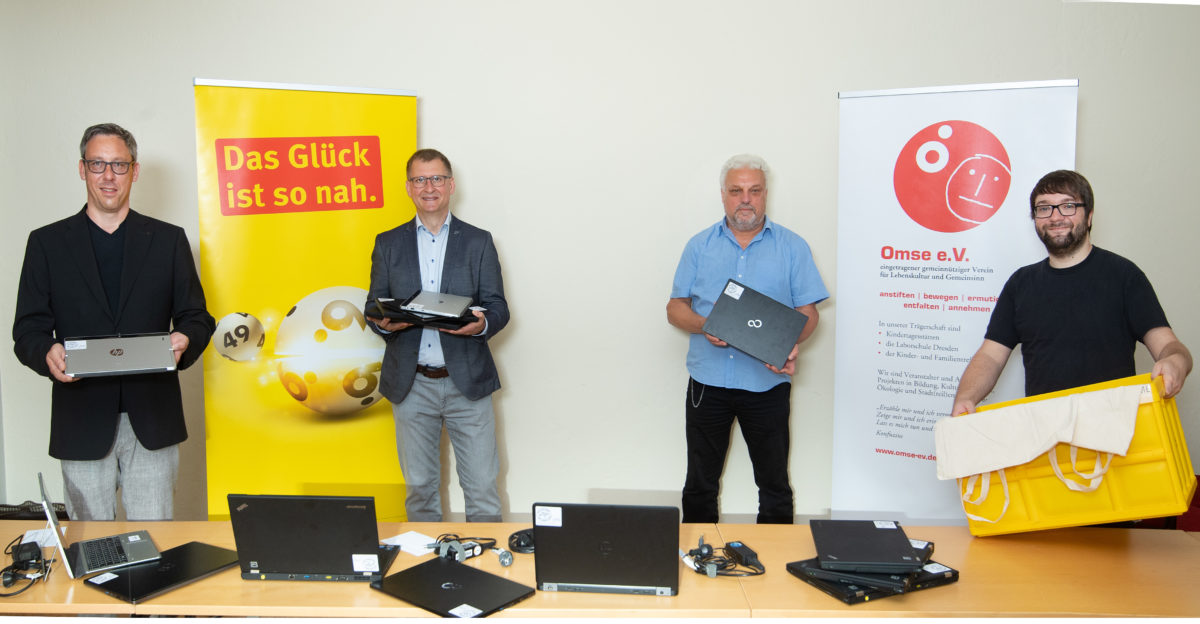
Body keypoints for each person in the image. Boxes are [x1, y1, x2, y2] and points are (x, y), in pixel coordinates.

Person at [12, 123, 214, 521]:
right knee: (90, 545)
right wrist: (47, 351)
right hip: (81, 419)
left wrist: (184, 340)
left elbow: (197, 317)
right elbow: (28, 329)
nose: (108, 176)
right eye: (98, 164)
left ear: (134, 171)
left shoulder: (169, 240)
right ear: (82, 169)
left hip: (153, 420)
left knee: (154, 544)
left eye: (119, 165)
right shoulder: (47, 243)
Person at [667, 154, 829, 524]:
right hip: (708, 382)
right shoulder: (699, 246)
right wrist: (705, 324)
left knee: (774, 485)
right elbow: (675, 308)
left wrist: (790, 346)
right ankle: (699, 551)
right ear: (723, 195)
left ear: (765, 194)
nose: (745, 199)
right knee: (700, 484)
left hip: (767, 382)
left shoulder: (792, 247)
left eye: (754, 191)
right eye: (736, 191)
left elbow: (808, 313)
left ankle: (775, 556)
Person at [952, 169, 1191, 415]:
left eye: (1068, 206)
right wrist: (966, 397)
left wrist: (1175, 362)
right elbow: (991, 356)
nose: (1055, 216)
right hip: (1044, 430)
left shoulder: (1124, 275)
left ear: (1089, 217)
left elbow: (1169, 346)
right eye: (1044, 208)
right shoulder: (1020, 284)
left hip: (1114, 428)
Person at [367, 148, 509, 522]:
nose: (428, 187)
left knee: (482, 490)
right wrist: (384, 323)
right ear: (408, 188)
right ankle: (426, 559)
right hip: (410, 383)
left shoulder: (478, 241)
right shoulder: (387, 243)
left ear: (451, 185)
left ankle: (487, 560)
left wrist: (482, 325)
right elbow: (372, 307)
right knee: (420, 492)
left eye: (436, 179)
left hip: (468, 383)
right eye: (419, 179)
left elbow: (498, 307)